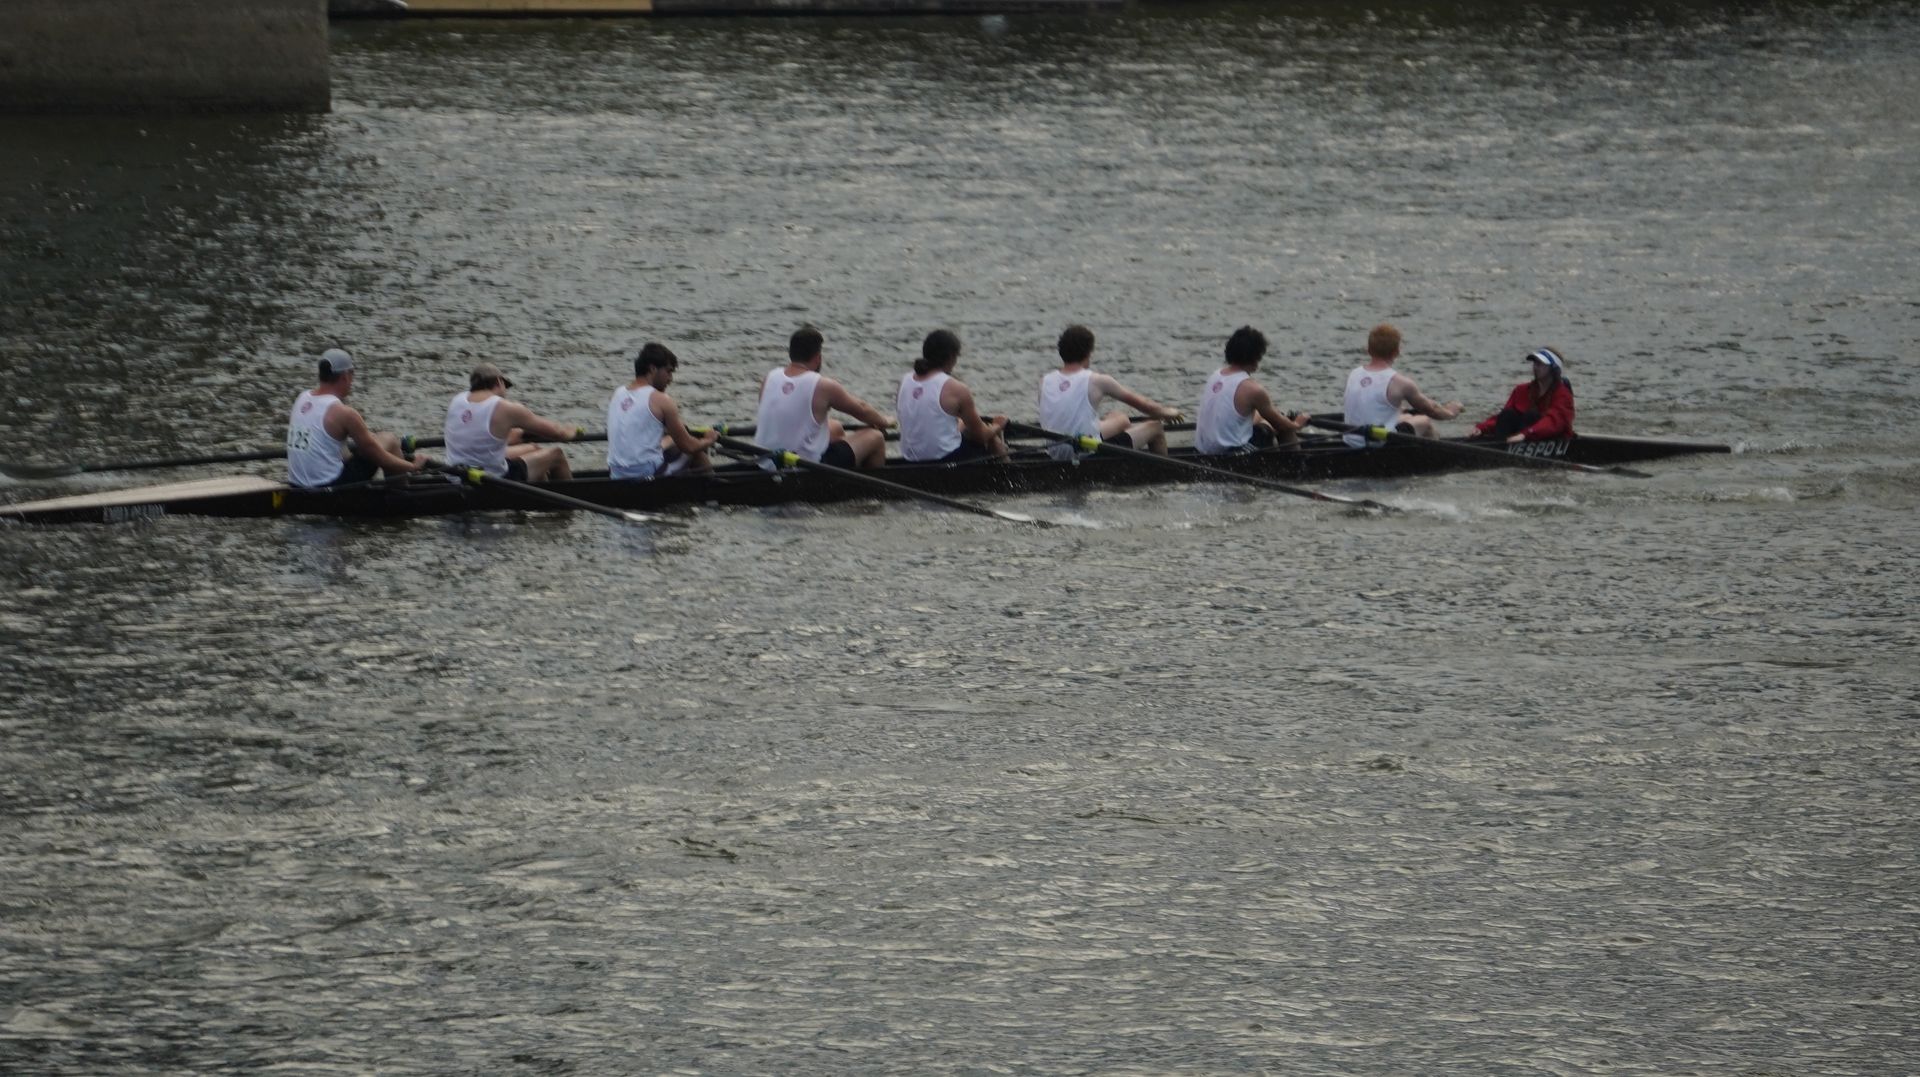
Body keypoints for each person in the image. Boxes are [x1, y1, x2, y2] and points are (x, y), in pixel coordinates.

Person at [286, 348, 429, 488]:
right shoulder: (344, 413)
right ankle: (401, 495)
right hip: (332, 487)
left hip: (297, 484)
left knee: (350, 445)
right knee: (389, 440)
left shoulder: (302, 398)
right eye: (352, 374)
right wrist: (412, 466)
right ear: (345, 376)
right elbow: (377, 455)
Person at [753, 325, 893, 468]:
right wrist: (884, 421)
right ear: (818, 358)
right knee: (876, 437)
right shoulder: (823, 385)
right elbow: (862, 409)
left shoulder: (769, 378)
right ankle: (870, 490)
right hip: (805, 467)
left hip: (765, 460)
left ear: (791, 354)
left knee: (836, 427)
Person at [1038, 324, 1182, 460]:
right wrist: (1168, 412)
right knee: (1155, 427)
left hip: (1055, 450)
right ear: (1088, 353)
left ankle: (1127, 445)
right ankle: (1162, 474)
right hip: (1087, 452)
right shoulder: (1097, 380)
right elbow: (1147, 407)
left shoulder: (1045, 381)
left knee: (1119, 417)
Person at [443, 363, 580, 482]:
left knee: (533, 449)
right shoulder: (505, 407)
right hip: (494, 480)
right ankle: (568, 508)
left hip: (456, 475)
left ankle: (537, 496)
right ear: (498, 382)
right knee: (556, 454)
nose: (505, 392)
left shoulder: (457, 400)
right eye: (505, 386)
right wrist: (571, 431)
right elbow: (558, 433)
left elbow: (480, 435)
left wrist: (519, 434)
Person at [607, 343, 719, 479]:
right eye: (668, 371)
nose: (670, 379)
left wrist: (673, 437)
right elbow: (689, 446)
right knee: (696, 451)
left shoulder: (618, 393)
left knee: (672, 444)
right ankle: (715, 493)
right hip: (645, 476)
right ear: (653, 369)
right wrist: (709, 440)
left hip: (616, 474)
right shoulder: (661, 400)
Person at [1340, 324, 1463, 448]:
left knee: (1407, 416)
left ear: (1368, 350)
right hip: (1379, 442)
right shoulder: (1401, 383)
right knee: (1424, 421)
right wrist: (1451, 413)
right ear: (1397, 352)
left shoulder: (1354, 373)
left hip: (1351, 439)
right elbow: (1432, 411)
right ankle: (1435, 456)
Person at [1194, 326, 1313, 454]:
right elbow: (1281, 425)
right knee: (1281, 426)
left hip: (1203, 452)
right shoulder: (1254, 389)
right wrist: (1297, 424)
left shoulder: (1216, 375)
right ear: (1256, 358)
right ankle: (1297, 467)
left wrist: (1271, 415)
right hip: (1231, 456)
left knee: (1269, 418)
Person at [896, 329, 1008, 463]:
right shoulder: (956, 388)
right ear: (951, 357)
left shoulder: (904, 381)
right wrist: (998, 425)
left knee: (964, 426)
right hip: (946, 461)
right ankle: (1010, 479)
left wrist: (961, 425)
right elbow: (981, 436)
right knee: (991, 437)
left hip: (910, 459)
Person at [1469, 347, 1576, 442]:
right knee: (1508, 414)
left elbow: (1553, 422)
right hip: (1523, 436)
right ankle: (1500, 445)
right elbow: (1501, 418)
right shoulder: (1521, 390)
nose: (1535, 367)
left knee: (1531, 415)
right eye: (1535, 363)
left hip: (1547, 437)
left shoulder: (1563, 395)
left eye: (1540, 364)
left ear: (1554, 369)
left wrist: (1526, 434)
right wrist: (1482, 428)